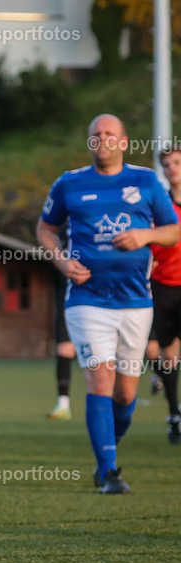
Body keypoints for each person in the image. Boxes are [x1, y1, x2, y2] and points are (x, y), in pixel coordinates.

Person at [36, 113, 179, 494]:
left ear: (124, 141)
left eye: (110, 133)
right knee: (101, 378)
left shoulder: (146, 181)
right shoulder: (69, 183)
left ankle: (107, 449)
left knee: (126, 393)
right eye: (96, 134)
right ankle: (108, 472)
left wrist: (145, 235)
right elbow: (45, 230)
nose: (102, 138)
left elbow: (172, 230)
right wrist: (62, 261)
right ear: (90, 141)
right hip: (87, 300)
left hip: (135, 302)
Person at [149, 143, 181, 443]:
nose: (172, 169)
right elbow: (150, 239)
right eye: (167, 164)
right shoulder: (160, 205)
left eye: (177, 163)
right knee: (165, 354)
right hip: (163, 287)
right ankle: (174, 413)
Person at [47, 269, 76, 420]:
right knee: (64, 349)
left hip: (94, 306)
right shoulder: (61, 260)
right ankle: (63, 404)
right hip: (66, 306)